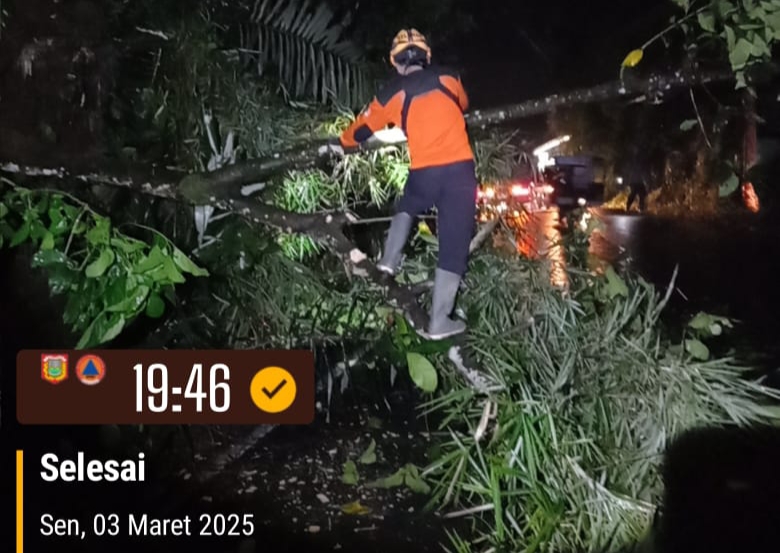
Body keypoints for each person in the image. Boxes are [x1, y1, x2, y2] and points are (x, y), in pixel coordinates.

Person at [319, 28, 478, 340]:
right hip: (460, 171)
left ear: (395, 62)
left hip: (425, 172)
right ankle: (439, 321)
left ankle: (389, 262)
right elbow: (462, 104)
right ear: (426, 57)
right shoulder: (449, 78)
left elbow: (360, 130)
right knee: (454, 243)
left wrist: (342, 142)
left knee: (407, 206)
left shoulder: (392, 92)